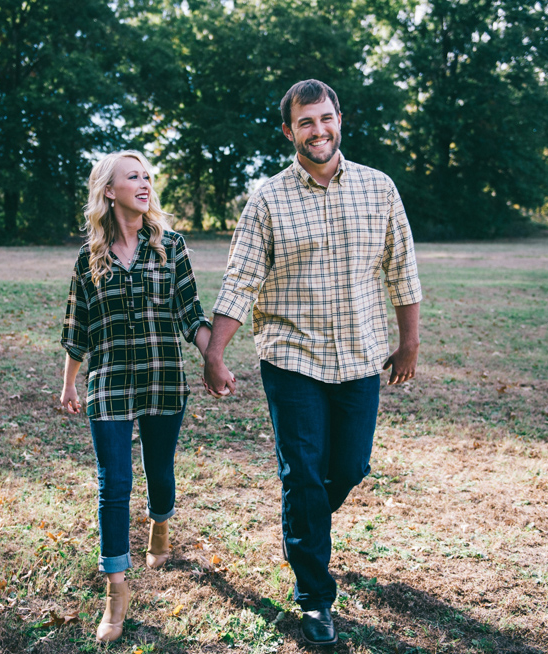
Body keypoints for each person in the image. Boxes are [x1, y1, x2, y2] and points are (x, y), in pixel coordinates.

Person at [203, 80, 422, 647]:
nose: (318, 130)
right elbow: (241, 279)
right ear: (289, 131)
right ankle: (315, 599)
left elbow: (403, 270)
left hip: (359, 356)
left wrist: (410, 343)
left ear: (340, 120)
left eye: (325, 118)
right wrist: (216, 352)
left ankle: (307, 524)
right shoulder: (268, 199)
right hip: (291, 359)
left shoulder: (379, 188)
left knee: (348, 468)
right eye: (305, 122)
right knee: (301, 475)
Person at [60, 150, 212, 643]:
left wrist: (216, 359)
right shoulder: (89, 258)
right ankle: (116, 592)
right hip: (108, 383)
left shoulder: (172, 246)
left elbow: (191, 312)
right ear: (109, 190)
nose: (144, 183)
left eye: (147, 175)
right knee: (113, 484)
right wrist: (68, 383)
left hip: (164, 378)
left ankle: (160, 526)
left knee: (159, 470)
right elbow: (77, 326)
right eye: (133, 177)